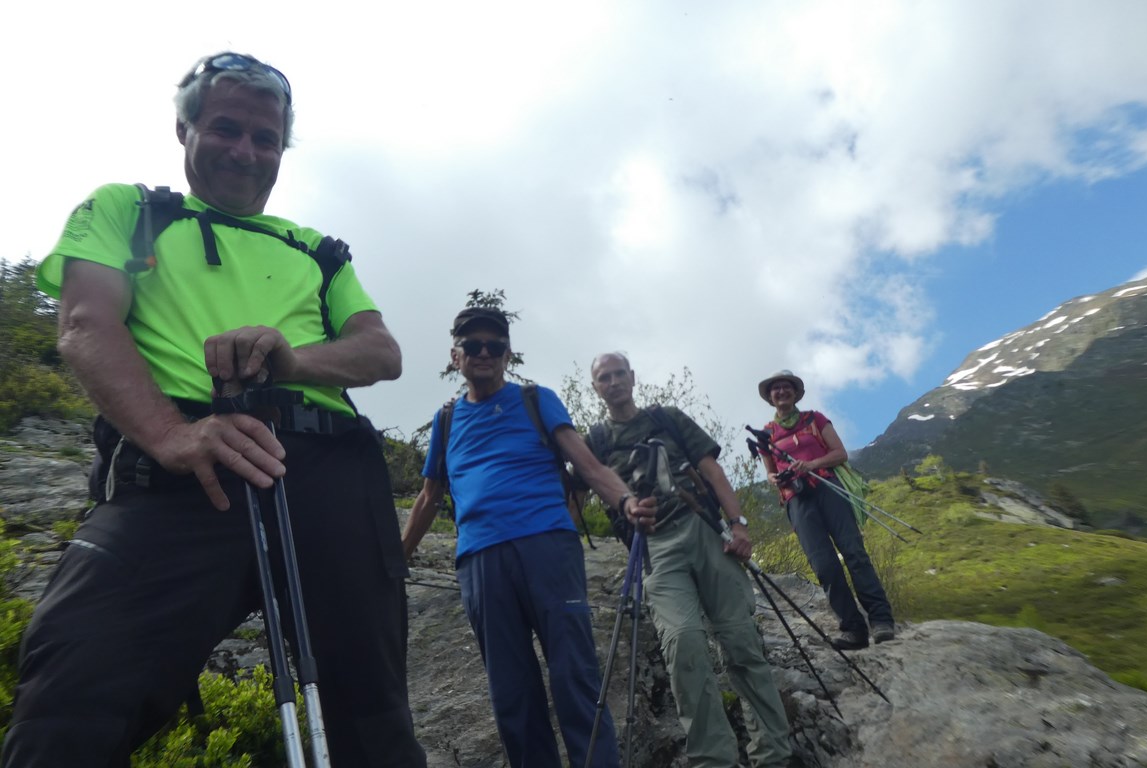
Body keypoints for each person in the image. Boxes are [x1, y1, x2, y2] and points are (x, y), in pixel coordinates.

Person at [2, 53, 426, 767]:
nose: (245, 150)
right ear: (185, 129)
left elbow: (381, 352)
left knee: (371, 719)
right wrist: (171, 434)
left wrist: (294, 360)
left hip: (328, 473)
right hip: (179, 469)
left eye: (266, 138)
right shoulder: (131, 210)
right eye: (226, 128)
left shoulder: (317, 250)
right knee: (72, 695)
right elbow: (84, 322)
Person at [402, 308, 649, 768]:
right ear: (456, 355)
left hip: (547, 545)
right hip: (479, 559)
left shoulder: (536, 399)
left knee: (575, 674)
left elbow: (588, 464)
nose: (484, 353)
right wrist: (398, 559)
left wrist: (625, 501)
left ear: (507, 354)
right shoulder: (447, 419)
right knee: (511, 691)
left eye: (495, 346)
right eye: (473, 345)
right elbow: (429, 496)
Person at [587, 352, 793, 768]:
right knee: (682, 644)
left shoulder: (666, 418)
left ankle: (775, 755)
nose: (614, 382)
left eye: (619, 374)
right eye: (604, 377)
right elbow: (577, 491)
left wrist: (738, 525)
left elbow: (711, 469)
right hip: (652, 548)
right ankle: (713, 759)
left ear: (632, 377)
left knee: (741, 642)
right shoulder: (596, 441)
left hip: (704, 529)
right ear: (596, 387)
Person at [756, 369, 895, 650]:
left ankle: (881, 620)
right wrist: (776, 478)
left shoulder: (814, 419)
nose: (781, 391)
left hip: (829, 489)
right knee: (824, 565)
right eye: (775, 388)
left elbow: (840, 454)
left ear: (796, 393)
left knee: (854, 553)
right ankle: (853, 630)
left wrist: (810, 464)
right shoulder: (766, 434)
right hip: (796, 499)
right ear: (770, 397)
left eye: (786, 386)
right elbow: (770, 473)